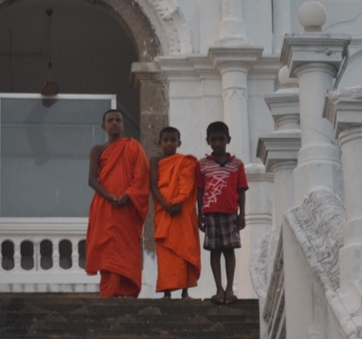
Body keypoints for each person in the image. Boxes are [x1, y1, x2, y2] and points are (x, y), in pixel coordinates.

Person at [84, 109, 149, 298]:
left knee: (126, 249)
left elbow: (141, 176)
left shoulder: (133, 147)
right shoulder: (98, 149)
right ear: (103, 126)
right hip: (105, 207)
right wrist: (109, 195)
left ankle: (126, 292)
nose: (114, 123)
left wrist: (128, 195)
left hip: (127, 207)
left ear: (123, 125)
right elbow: (91, 179)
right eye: (110, 120)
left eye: (118, 120)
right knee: (108, 251)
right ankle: (110, 292)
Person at [197, 121, 247, 304]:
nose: (217, 143)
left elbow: (241, 190)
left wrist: (242, 214)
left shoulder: (237, 164)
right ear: (208, 141)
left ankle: (229, 289)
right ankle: (218, 288)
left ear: (228, 140)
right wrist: (199, 214)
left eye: (221, 139)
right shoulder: (202, 164)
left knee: (229, 250)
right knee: (214, 250)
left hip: (230, 212)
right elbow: (200, 191)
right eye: (213, 139)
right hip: (210, 212)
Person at [151, 127, 200, 299]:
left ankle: (185, 291)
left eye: (173, 140)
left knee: (184, 248)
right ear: (159, 142)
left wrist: (178, 201)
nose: (170, 143)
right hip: (164, 211)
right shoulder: (155, 161)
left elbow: (187, 184)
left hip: (182, 212)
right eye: (166, 140)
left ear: (179, 143)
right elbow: (153, 186)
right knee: (166, 253)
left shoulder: (185, 161)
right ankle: (166, 291)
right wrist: (165, 205)